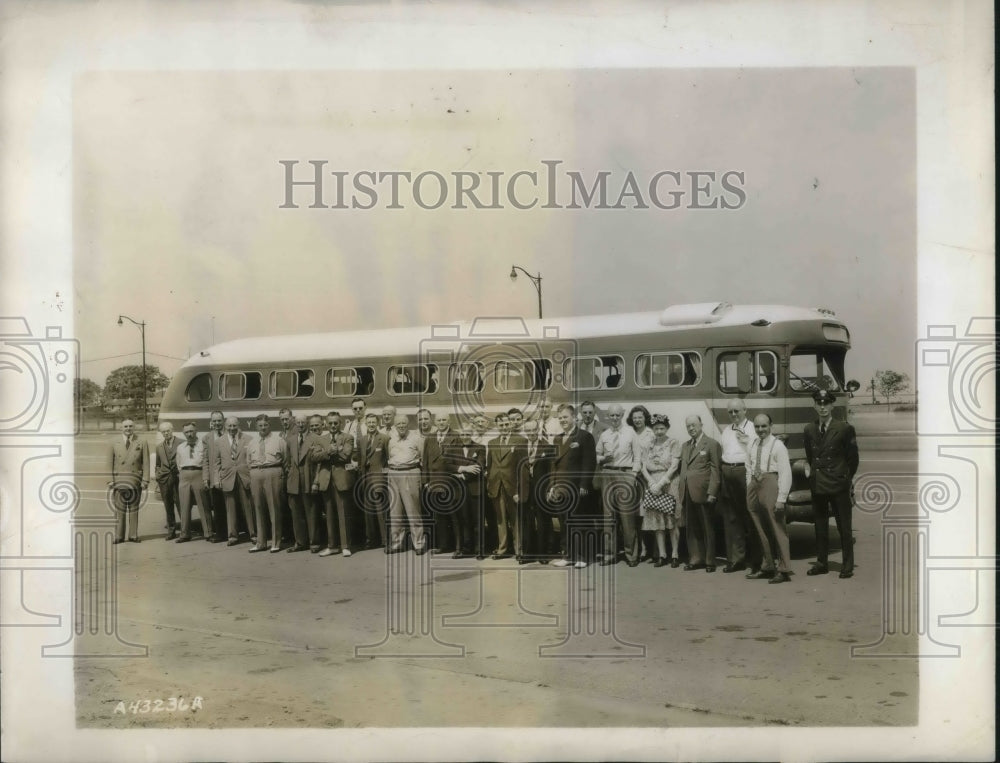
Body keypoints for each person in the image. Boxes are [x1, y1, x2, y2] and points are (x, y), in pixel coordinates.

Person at [804, 389, 860, 579]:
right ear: (814, 405)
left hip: (838, 484)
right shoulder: (809, 429)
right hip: (819, 484)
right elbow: (811, 457)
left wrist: (845, 478)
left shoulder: (844, 428)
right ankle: (821, 563)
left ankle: (847, 565)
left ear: (832, 405)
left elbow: (853, 459)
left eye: (826, 403)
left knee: (844, 527)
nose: (822, 407)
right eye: (819, 403)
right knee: (820, 526)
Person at [745, 414, 794, 583]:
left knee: (777, 527)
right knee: (760, 528)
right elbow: (748, 466)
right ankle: (767, 566)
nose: (760, 430)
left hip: (770, 483)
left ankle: (784, 569)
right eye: (757, 427)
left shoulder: (778, 445)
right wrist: (749, 486)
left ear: (770, 426)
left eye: (764, 426)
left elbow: (786, 473)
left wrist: (781, 498)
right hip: (754, 484)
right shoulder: (753, 443)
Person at [595, 403, 643, 567]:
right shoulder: (605, 434)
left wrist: (633, 475)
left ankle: (631, 555)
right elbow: (597, 455)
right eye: (611, 416)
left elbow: (637, 457)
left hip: (625, 474)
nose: (614, 418)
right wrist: (603, 459)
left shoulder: (630, 433)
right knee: (608, 517)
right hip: (607, 474)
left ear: (622, 415)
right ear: (608, 416)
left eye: (617, 415)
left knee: (627, 517)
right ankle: (610, 554)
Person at [549, 404, 597, 568]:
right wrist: (551, 486)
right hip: (560, 488)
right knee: (564, 522)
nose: (563, 420)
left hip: (577, 487)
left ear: (574, 417)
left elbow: (589, 463)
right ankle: (568, 555)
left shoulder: (584, 436)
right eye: (560, 417)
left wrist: (584, 484)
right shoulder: (557, 438)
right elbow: (553, 465)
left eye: (565, 417)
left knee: (579, 523)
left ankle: (583, 556)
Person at [718, 399, 758, 573]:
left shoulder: (753, 428)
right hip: (728, 473)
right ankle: (736, 559)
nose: (734, 415)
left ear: (745, 410)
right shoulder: (726, 430)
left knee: (751, 515)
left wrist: (748, 441)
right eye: (731, 412)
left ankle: (757, 560)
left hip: (745, 473)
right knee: (731, 518)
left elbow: (758, 451)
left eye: (737, 411)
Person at [679, 414, 721, 572]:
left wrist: (712, 492)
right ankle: (696, 559)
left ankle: (710, 561)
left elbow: (716, 471)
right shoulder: (685, 445)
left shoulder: (711, 444)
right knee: (692, 527)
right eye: (688, 426)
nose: (691, 428)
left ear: (701, 425)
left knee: (707, 527)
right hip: (688, 491)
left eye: (694, 425)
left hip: (704, 493)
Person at [638, 414, 683, 567]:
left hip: (669, 483)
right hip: (653, 483)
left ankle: (675, 554)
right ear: (652, 429)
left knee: (672, 519)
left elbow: (674, 465)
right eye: (656, 428)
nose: (659, 431)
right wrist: (651, 483)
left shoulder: (673, 443)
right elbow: (643, 466)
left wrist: (662, 482)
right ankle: (662, 555)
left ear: (667, 428)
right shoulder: (648, 444)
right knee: (657, 520)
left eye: (662, 428)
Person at [485, 412, 526, 560]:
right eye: (501, 425)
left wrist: (519, 489)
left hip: (513, 486)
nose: (504, 427)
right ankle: (502, 549)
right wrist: (490, 483)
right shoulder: (492, 443)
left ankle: (519, 551)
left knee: (515, 520)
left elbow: (523, 468)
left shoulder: (521, 441)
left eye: (506, 424)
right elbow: (489, 466)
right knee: (500, 519)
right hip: (496, 485)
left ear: (511, 424)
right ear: (497, 426)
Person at [316, 412, 356, 557]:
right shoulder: (321, 439)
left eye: (336, 423)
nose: (333, 426)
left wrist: (328, 454)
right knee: (329, 514)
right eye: (331, 423)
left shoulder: (348, 437)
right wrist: (329, 451)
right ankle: (332, 546)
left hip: (341, 479)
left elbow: (346, 455)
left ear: (340, 423)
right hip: (326, 480)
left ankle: (346, 546)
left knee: (343, 513)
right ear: (326, 424)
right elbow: (314, 456)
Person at [386, 413, 427, 554]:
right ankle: (397, 543)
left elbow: (423, 458)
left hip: (410, 472)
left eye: (404, 423)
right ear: (395, 426)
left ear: (408, 424)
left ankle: (419, 544)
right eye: (398, 424)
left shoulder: (416, 439)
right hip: (393, 474)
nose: (401, 426)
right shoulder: (390, 439)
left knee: (413, 510)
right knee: (395, 512)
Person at [246, 414, 287, 553]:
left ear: (269, 425)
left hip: (273, 472)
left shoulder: (279, 440)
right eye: (260, 425)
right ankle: (261, 543)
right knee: (258, 508)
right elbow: (248, 461)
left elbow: (285, 460)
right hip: (256, 473)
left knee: (274, 508)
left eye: (265, 425)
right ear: (256, 426)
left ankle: (276, 542)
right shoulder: (252, 442)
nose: (263, 428)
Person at [518, 419, 557, 563]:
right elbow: (515, 471)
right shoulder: (520, 447)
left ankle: (543, 554)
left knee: (543, 522)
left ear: (538, 429)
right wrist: (517, 492)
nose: (531, 433)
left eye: (533, 430)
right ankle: (528, 554)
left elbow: (552, 470)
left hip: (541, 490)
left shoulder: (547, 447)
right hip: (525, 490)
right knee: (527, 522)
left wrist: (550, 488)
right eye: (527, 431)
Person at [107, 419, 149, 544]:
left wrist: (145, 480)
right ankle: (119, 536)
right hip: (119, 480)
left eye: (131, 426)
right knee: (119, 509)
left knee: (134, 509)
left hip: (135, 480)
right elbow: (109, 462)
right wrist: (110, 480)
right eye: (125, 426)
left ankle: (133, 535)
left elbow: (146, 462)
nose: (128, 428)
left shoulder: (142, 441)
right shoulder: (113, 442)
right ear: (121, 428)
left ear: (134, 427)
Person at [423, 412, 460, 553]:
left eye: (444, 419)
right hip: (434, 482)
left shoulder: (455, 436)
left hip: (450, 481)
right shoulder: (430, 438)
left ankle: (458, 546)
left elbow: (458, 459)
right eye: (439, 420)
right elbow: (425, 460)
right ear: (435, 422)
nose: (441, 422)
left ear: (449, 421)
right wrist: (426, 481)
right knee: (439, 516)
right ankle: (443, 545)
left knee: (454, 515)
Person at [216, 416, 255, 546]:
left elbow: (251, 459)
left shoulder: (248, 439)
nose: (232, 428)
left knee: (248, 507)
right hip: (227, 477)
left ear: (238, 425)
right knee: (230, 508)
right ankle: (232, 536)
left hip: (244, 477)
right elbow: (217, 462)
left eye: (234, 426)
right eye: (229, 426)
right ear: (225, 427)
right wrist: (217, 479)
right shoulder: (219, 441)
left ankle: (253, 534)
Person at [449, 423, 487, 559]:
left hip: (475, 489)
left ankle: (479, 550)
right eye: (462, 434)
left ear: (471, 434)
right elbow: (446, 465)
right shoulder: (452, 449)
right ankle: (463, 549)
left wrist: (463, 476)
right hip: (458, 490)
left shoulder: (480, 448)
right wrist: (463, 469)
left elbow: (480, 465)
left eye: (467, 434)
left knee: (477, 521)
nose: (465, 437)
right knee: (461, 520)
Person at [175, 421, 215, 543]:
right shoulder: (180, 447)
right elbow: (178, 464)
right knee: (184, 506)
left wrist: (205, 478)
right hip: (184, 476)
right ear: (184, 434)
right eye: (186, 432)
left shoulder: (203, 445)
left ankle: (208, 533)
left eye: (191, 431)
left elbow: (206, 462)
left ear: (196, 431)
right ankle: (185, 534)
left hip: (199, 474)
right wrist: (183, 474)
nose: (189, 434)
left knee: (203, 505)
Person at [356, 412, 390, 551]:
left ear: (378, 423)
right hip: (365, 479)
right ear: (366, 424)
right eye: (369, 423)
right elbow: (359, 460)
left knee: (381, 511)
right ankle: (371, 540)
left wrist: (384, 476)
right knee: (367, 511)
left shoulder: (384, 438)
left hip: (379, 479)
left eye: (373, 422)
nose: (371, 425)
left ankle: (385, 540)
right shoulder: (361, 440)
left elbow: (388, 459)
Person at [284, 415, 313, 553]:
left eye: (303, 422)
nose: (300, 425)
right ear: (295, 424)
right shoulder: (290, 440)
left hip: (309, 479)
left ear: (307, 423)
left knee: (311, 512)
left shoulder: (314, 437)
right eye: (298, 423)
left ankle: (314, 542)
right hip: (294, 481)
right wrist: (290, 474)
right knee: (296, 514)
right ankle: (300, 543)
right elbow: (287, 461)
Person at [202, 410, 227, 542]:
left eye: (219, 420)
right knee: (217, 507)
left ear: (223, 421)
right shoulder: (207, 438)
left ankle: (233, 532)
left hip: (228, 476)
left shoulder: (230, 434)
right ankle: (221, 534)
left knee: (232, 505)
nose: (217, 423)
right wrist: (206, 478)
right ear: (211, 422)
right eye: (214, 421)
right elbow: (205, 460)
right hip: (214, 478)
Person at [153, 422, 180, 541]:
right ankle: (171, 530)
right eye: (163, 431)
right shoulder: (159, 447)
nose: (166, 433)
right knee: (168, 506)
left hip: (178, 479)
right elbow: (158, 464)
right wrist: (158, 476)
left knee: (181, 505)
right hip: (164, 480)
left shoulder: (181, 443)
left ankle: (185, 530)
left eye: (167, 430)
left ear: (172, 430)